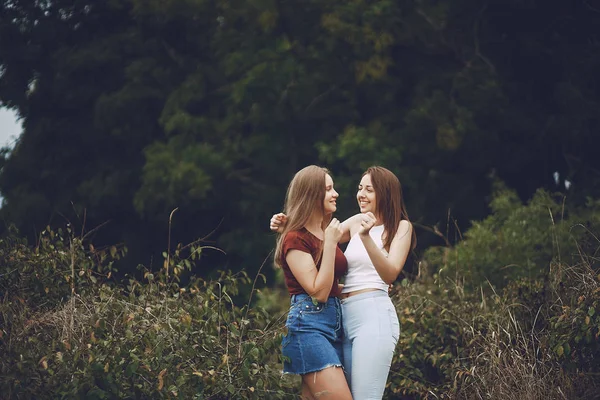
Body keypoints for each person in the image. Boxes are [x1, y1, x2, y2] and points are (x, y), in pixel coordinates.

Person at [271, 166, 415, 400]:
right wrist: (288, 225)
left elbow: (390, 273)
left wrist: (366, 237)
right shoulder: (358, 221)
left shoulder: (400, 227)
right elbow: (322, 237)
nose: (361, 194)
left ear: (386, 194)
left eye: (369, 189)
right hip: (341, 320)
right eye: (360, 188)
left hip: (372, 314)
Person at [274, 165, 353, 400]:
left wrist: (368, 288)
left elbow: (330, 285)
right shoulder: (294, 238)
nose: (335, 193)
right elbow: (318, 292)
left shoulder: (323, 233)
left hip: (335, 327)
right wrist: (330, 243)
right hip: (308, 328)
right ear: (311, 195)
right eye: (328, 189)